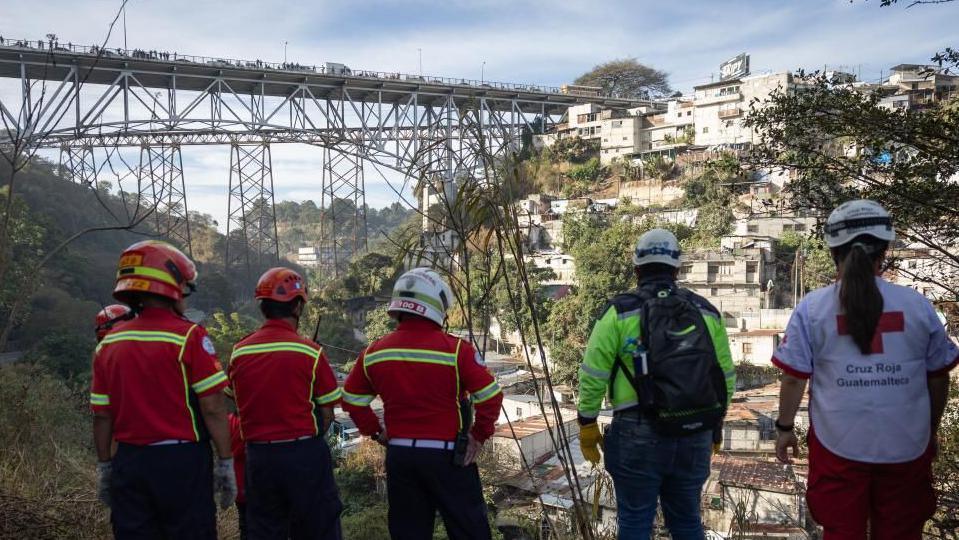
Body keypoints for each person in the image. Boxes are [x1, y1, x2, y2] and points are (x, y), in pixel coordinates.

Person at [773, 200, 957, 540]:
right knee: (902, 531)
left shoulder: (812, 308)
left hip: (836, 443)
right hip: (907, 443)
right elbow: (938, 376)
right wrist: (927, 431)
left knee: (842, 531)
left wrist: (784, 428)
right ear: (884, 250)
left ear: (833, 250)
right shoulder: (916, 305)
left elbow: (793, 377)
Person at [577, 228, 735, 539]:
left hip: (638, 431)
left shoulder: (619, 311)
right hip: (695, 432)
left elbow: (593, 372)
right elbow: (725, 377)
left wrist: (587, 422)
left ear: (636, 268)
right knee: (688, 522)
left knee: (635, 523)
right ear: (677, 269)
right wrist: (715, 425)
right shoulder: (706, 311)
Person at [342, 268, 504, 540]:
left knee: (409, 532)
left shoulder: (373, 353)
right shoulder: (455, 351)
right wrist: (478, 436)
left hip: (401, 457)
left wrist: (376, 431)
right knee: (469, 530)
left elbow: (352, 400)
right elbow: (490, 395)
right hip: (449, 458)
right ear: (436, 306)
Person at [90, 240, 235, 539]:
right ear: (170, 287)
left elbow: (102, 416)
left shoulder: (108, 344)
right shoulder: (189, 336)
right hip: (182, 464)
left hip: (129, 462)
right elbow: (213, 407)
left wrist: (105, 466)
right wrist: (225, 460)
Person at [228, 267, 343, 540]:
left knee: (265, 529)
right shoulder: (309, 352)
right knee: (319, 527)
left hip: (258, 459)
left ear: (263, 307)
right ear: (298, 306)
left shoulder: (240, 351)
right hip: (303, 455)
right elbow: (327, 413)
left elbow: (235, 401)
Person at [223, 387, 248, 540]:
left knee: (244, 525)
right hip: (254, 485)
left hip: (238, 488)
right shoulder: (247, 426)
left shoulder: (227, 422)